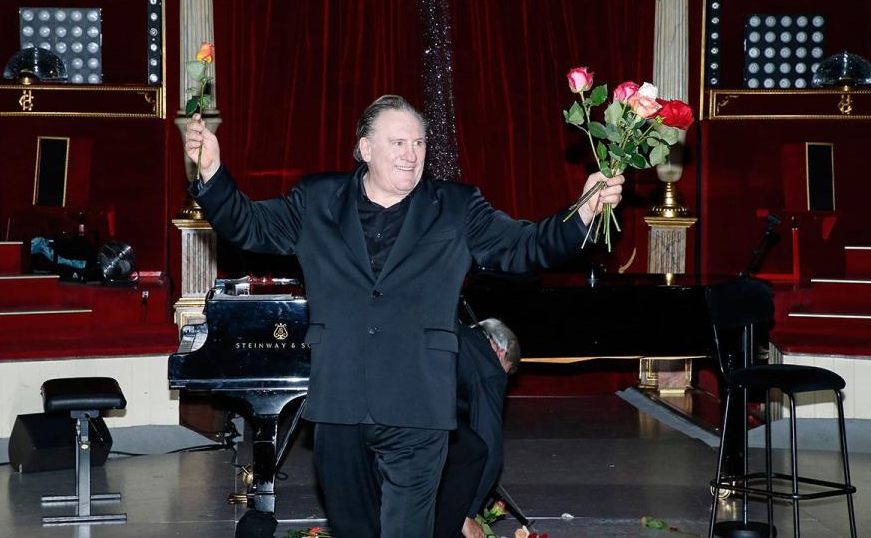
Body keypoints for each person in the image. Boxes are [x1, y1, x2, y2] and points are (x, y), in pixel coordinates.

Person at [184, 94, 623, 538]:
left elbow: (526, 246)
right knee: (355, 529)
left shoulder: (457, 206)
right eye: (398, 143)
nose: (411, 155)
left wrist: (583, 210)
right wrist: (212, 173)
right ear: (365, 149)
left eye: (419, 143)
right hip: (340, 400)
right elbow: (247, 225)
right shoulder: (316, 200)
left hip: (419, 403)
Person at [435, 318, 520, 538]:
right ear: (500, 352)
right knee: (474, 451)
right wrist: (468, 512)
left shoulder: (461, 335)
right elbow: (490, 444)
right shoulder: (490, 364)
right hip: (418, 414)